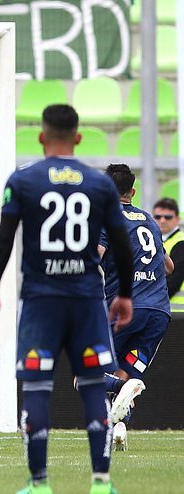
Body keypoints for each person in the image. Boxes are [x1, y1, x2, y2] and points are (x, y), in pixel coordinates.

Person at [0, 104, 134, 494]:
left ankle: (39, 484)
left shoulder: (24, 180)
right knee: (92, 387)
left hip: (40, 301)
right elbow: (120, 242)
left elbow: (4, 239)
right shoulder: (100, 185)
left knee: (36, 388)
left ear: (41, 136)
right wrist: (126, 295)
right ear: (79, 137)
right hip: (86, 300)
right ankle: (101, 484)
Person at [98, 165, 172, 452]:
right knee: (124, 375)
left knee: (85, 375)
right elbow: (169, 266)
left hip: (123, 310)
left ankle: (119, 393)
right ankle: (119, 426)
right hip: (157, 314)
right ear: (133, 192)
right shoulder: (151, 222)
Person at [152, 198, 184, 309]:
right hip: (164, 310)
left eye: (168, 217)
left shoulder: (181, 242)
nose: (162, 220)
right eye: (158, 217)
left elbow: (173, 281)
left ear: (177, 219)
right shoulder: (155, 241)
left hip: (177, 313)